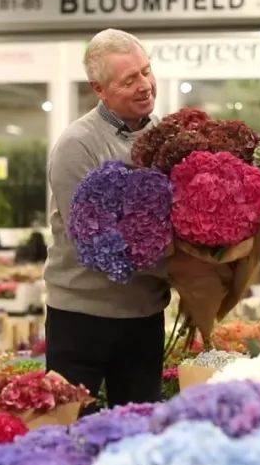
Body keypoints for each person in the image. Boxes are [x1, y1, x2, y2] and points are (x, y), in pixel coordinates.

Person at [43, 28, 169, 407]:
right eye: (129, 80)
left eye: (146, 71)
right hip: (83, 318)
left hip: (145, 316)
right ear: (99, 89)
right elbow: (95, 244)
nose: (145, 85)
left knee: (137, 432)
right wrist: (179, 264)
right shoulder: (78, 144)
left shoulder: (165, 134)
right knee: (68, 431)